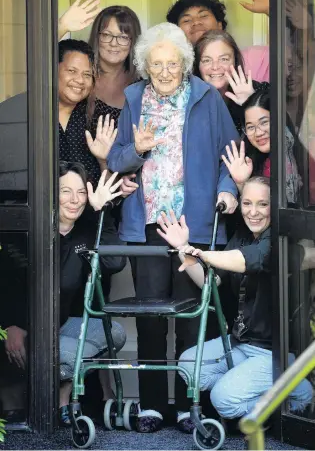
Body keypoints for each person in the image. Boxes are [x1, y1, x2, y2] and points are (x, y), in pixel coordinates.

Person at [107, 22, 239, 433]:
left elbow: (229, 154)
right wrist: (137, 150)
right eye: (156, 63)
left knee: (188, 320)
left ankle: (187, 406)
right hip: (147, 224)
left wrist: (230, 190)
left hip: (193, 226)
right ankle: (149, 407)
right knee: (149, 317)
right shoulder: (134, 99)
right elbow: (115, 161)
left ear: (185, 64)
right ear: (145, 65)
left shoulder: (205, 98)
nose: (165, 71)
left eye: (173, 63)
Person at [156, 177, 313, 421]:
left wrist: (202, 254)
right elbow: (212, 281)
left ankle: (299, 396)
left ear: (276, 205)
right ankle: (263, 388)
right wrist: (183, 247)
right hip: (241, 343)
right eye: (247, 203)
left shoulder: (282, 240)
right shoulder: (242, 235)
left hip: (275, 353)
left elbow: (249, 260)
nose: (253, 212)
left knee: (224, 400)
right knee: (188, 365)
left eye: (263, 204)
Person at [0, 162, 127, 426]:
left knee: (113, 332)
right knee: (63, 356)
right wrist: (11, 324)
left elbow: (115, 262)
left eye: (81, 193)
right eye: (65, 191)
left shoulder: (86, 228)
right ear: (50, 193)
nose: (74, 200)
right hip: (21, 327)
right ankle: (26, 404)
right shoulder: (27, 230)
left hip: (61, 326)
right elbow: (8, 284)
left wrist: (102, 211)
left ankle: (61, 400)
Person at [166, 0, 270, 82]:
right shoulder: (169, 71)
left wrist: (274, 11)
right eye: (186, 20)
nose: (196, 22)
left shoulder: (255, 59)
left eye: (204, 16)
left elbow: (288, 55)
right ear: (176, 31)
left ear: (219, 25)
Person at [222, 89, 301, 205]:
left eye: (264, 122)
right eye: (250, 127)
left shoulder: (293, 149)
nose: (258, 133)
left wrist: (254, 96)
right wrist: (240, 183)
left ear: (279, 120)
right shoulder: (246, 163)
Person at [58, 38, 118, 187]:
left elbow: (112, 193)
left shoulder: (101, 118)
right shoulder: (29, 112)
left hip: (89, 209)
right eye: (72, 71)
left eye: (87, 75)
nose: (80, 80)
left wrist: (104, 160)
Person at [194, 29, 269, 134]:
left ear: (235, 61)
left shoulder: (258, 90)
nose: (215, 67)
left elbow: (279, 137)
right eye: (207, 60)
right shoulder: (187, 98)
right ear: (198, 66)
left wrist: (251, 102)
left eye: (224, 59)